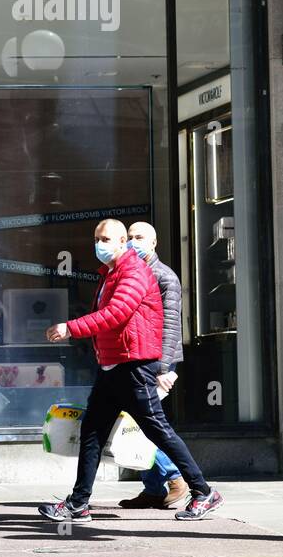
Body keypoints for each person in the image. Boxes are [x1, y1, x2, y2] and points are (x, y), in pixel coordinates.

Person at [37, 218, 222, 524]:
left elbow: (116, 313)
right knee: (92, 431)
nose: (100, 244)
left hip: (134, 366)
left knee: (157, 431)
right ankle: (78, 504)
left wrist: (70, 329)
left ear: (122, 242)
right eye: (98, 238)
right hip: (113, 365)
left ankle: (203, 492)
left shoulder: (134, 272)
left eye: (107, 239)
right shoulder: (110, 274)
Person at [117, 221, 189, 509]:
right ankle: (154, 487)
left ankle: (174, 477)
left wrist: (164, 368)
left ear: (153, 242)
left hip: (155, 363)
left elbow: (170, 326)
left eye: (139, 237)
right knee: (137, 423)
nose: (134, 242)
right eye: (130, 237)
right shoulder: (128, 274)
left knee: (145, 424)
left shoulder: (163, 277)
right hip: (133, 360)